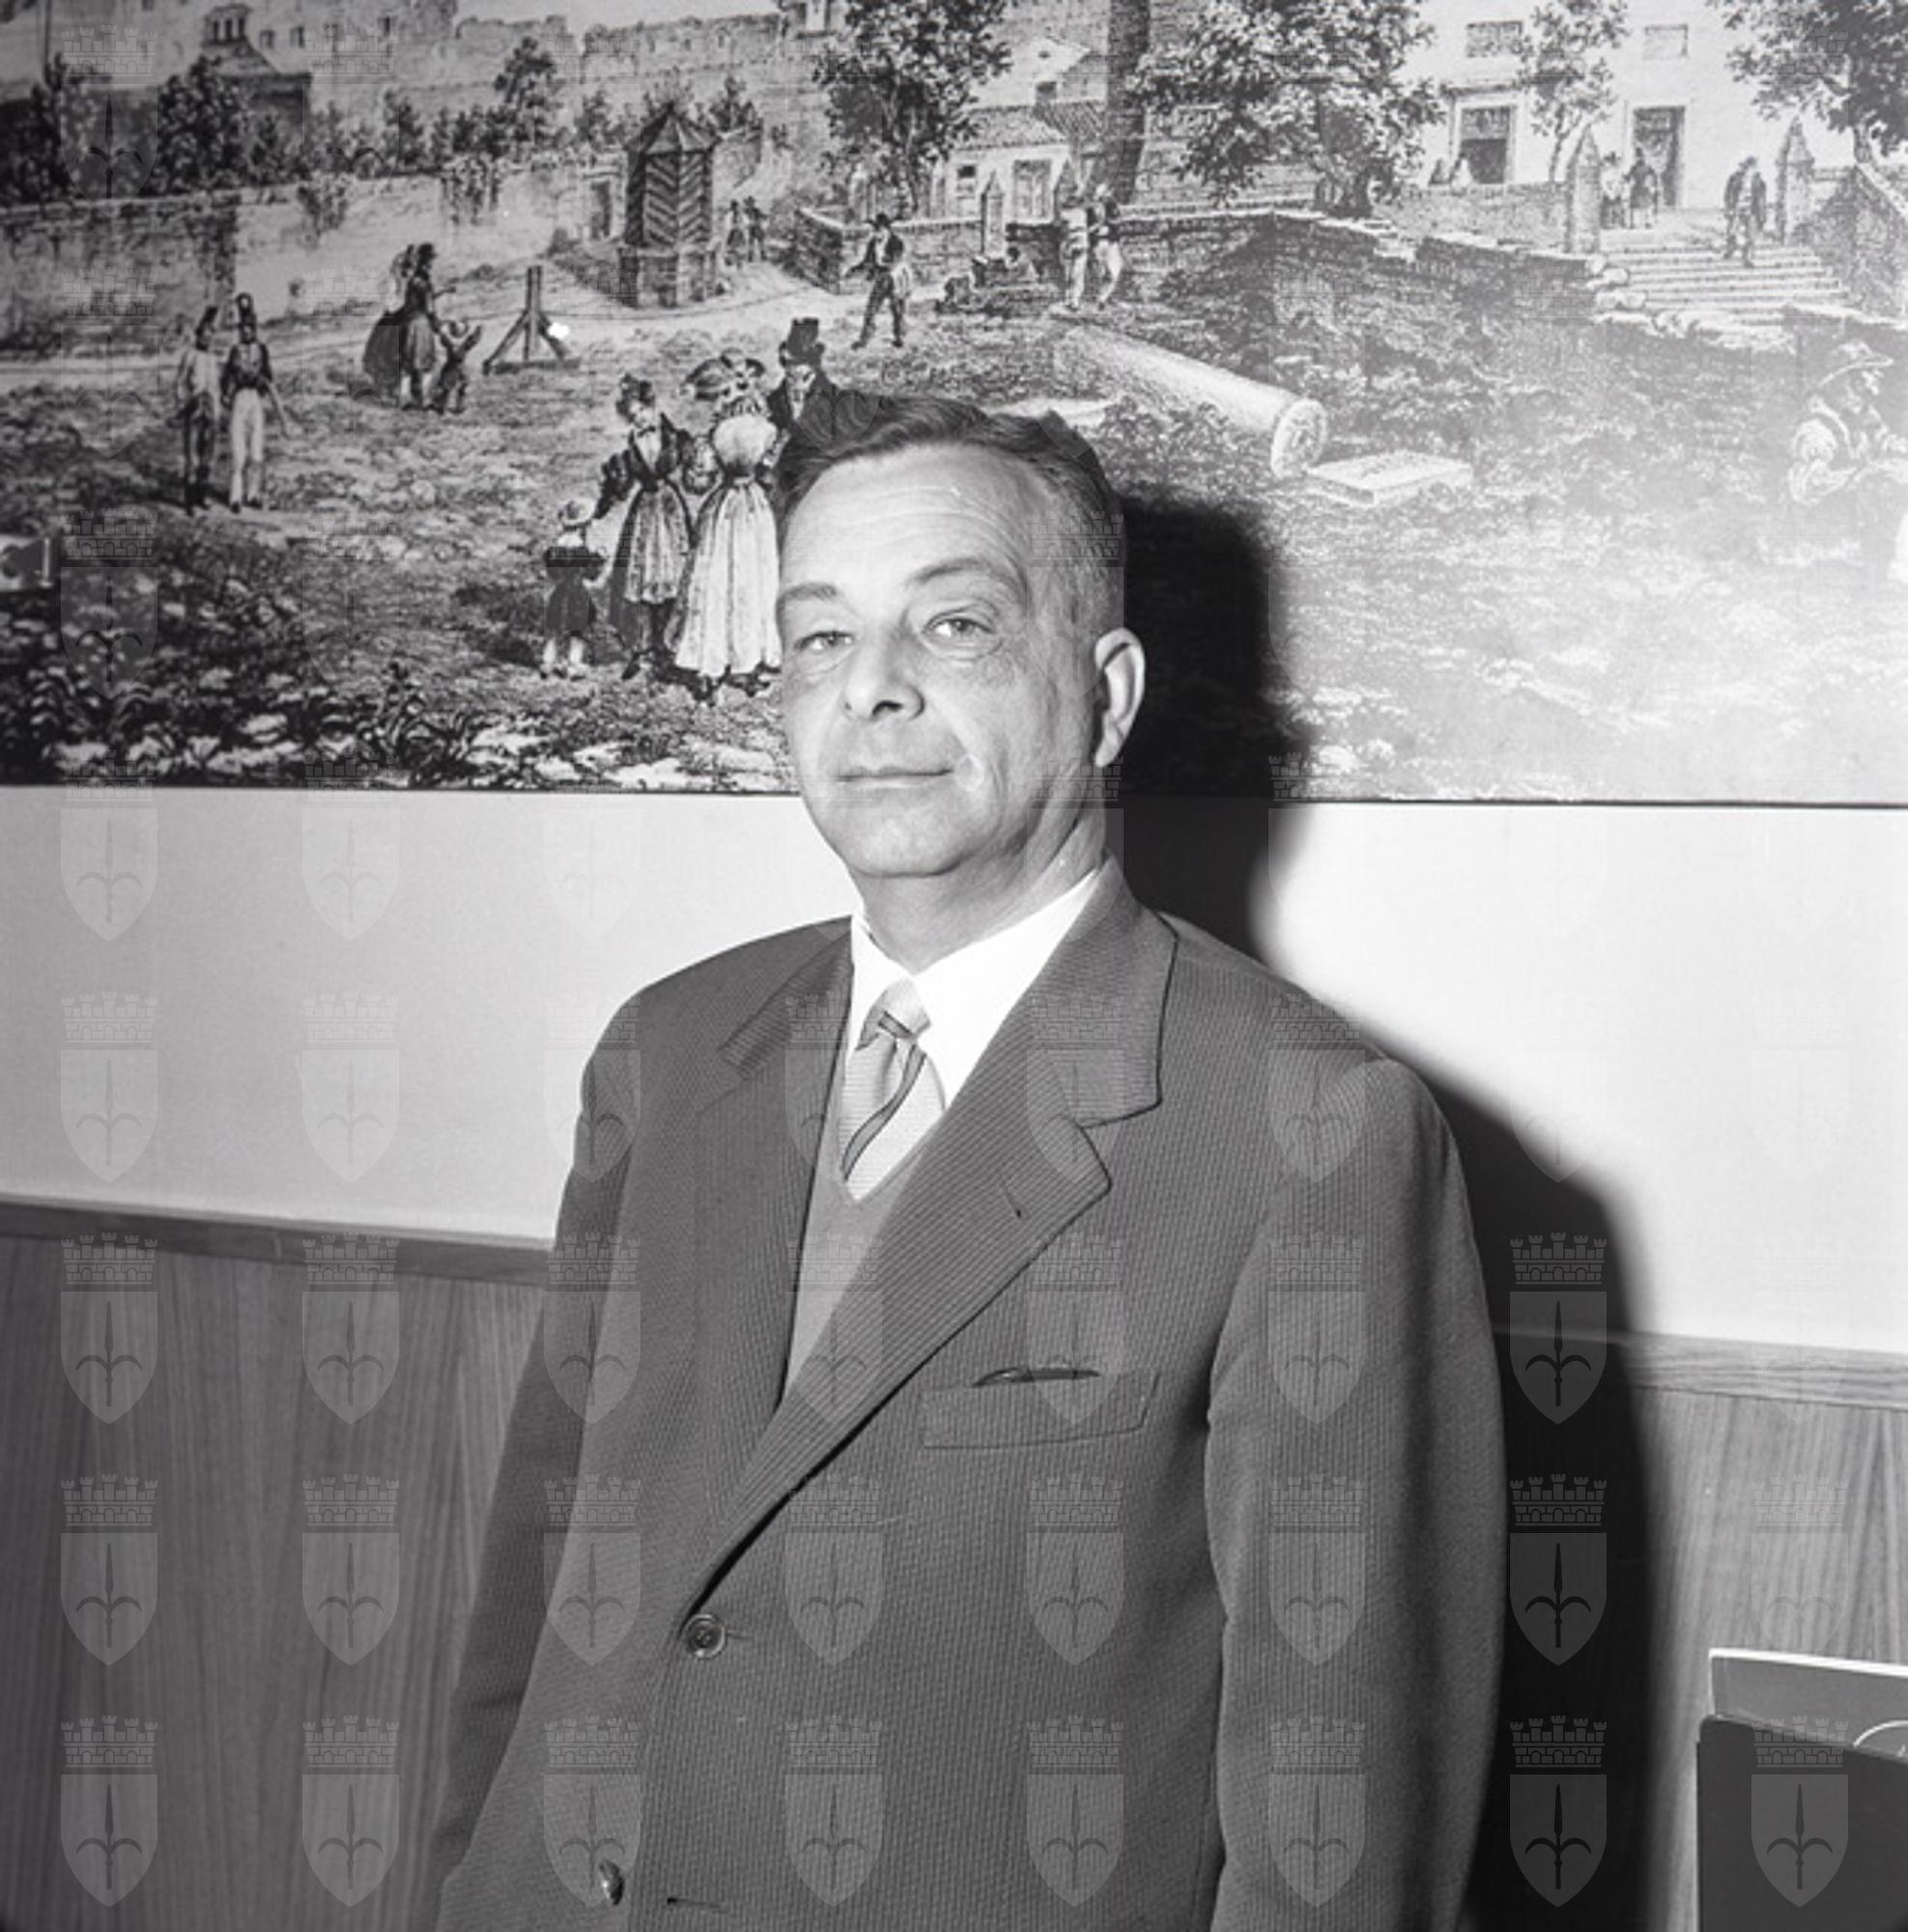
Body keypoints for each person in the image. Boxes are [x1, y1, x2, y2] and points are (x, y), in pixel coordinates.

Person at [424, 394, 1504, 1927]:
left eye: (953, 625)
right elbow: (533, 1607)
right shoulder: (666, 1049)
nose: (869, 687)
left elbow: (1337, 1816)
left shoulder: (1310, 1127)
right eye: (818, 636)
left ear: (1105, 695)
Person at [668, 355, 780, 698]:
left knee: (716, 582)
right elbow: (770, 471)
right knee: (750, 581)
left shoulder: (715, 436)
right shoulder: (766, 429)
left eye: (715, 398)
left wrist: (692, 462)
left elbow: (697, 485)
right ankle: (748, 661)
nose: (715, 406)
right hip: (755, 508)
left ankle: (710, 665)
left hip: (726, 508)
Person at [592, 373, 693, 674]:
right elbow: (619, 488)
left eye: (641, 412)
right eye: (632, 416)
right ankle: (643, 648)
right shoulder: (631, 448)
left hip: (670, 510)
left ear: (652, 407)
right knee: (641, 579)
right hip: (645, 511)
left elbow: (694, 470)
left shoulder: (676, 438)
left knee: (673, 577)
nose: (638, 420)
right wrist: (604, 501)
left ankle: (668, 646)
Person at [1786, 339, 1908, 585]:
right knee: (1883, 485)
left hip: (1856, 509)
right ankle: (1880, 571)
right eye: (1870, 371)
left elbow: (1883, 440)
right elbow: (1806, 487)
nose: (1878, 375)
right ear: (1851, 380)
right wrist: (1863, 474)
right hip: (1826, 521)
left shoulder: (1863, 414)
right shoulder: (1818, 427)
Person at [219, 294, 277, 513]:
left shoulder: (262, 350)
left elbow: (269, 376)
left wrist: (262, 382)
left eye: (249, 328)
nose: (246, 332)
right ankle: (235, 498)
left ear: (254, 329)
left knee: (256, 451)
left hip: (255, 399)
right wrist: (226, 393)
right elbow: (226, 376)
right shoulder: (235, 351)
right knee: (238, 451)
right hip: (239, 398)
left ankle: (252, 495)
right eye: (242, 328)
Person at [539, 496, 605, 679]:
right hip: (577, 593)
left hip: (559, 593)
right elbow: (591, 574)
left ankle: (547, 662)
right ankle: (573, 664)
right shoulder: (581, 550)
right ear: (583, 526)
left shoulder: (554, 549)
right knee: (578, 630)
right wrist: (599, 559)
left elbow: (552, 572)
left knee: (554, 630)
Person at [765, 315, 843, 453]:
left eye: (805, 378)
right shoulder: (774, 401)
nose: (798, 385)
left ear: (815, 373)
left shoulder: (834, 400)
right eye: (791, 377)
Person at [172, 304, 220, 514]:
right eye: (204, 335)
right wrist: (184, 403)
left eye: (210, 336)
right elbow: (179, 383)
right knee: (192, 455)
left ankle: (202, 495)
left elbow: (217, 387)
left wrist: (218, 408)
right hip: (194, 408)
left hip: (211, 410)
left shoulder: (213, 359)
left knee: (208, 454)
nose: (207, 339)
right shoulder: (190, 355)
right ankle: (189, 499)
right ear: (198, 335)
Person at [852, 211, 911, 349]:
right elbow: (867, 261)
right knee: (872, 307)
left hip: (896, 277)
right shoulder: (873, 243)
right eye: (874, 230)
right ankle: (865, 338)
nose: (876, 233)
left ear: (886, 229)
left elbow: (896, 260)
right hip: (882, 277)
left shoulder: (896, 242)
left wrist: (885, 264)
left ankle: (899, 337)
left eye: (878, 230)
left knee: (897, 309)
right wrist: (855, 270)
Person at [397, 242, 440, 410]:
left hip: (409, 322)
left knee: (409, 363)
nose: (432, 263)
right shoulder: (423, 281)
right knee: (425, 362)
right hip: (420, 324)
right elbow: (429, 306)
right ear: (426, 261)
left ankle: (405, 399)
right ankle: (424, 400)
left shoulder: (413, 280)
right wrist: (435, 322)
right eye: (431, 260)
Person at [428, 315, 482, 415]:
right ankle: (444, 407)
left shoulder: (452, 341)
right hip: (455, 367)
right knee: (448, 388)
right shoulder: (463, 342)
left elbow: (443, 337)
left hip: (455, 366)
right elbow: (474, 340)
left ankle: (453, 407)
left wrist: (478, 331)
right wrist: (478, 331)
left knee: (457, 387)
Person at [1723, 154, 1767, 268]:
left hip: (1751, 211)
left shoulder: (1759, 182)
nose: (1751, 170)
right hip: (1737, 209)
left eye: (1753, 167)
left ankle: (1748, 258)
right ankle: (1730, 248)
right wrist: (1729, 208)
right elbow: (1728, 194)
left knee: (1750, 236)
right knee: (1732, 232)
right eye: (1749, 167)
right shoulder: (1735, 178)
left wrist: (1762, 215)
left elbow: (1761, 200)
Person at [1089, 187, 1125, 306]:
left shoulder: (1111, 207)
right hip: (1099, 243)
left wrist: (1107, 222)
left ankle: (1104, 297)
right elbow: (1087, 229)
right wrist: (1097, 226)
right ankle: (1101, 297)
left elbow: (1118, 221)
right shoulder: (1091, 210)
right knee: (1101, 272)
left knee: (1115, 270)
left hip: (1110, 242)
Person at [1058, 192, 1091, 310]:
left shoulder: (1066, 214)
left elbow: (1063, 230)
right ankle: (1073, 299)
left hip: (1073, 243)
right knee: (1076, 274)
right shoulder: (1081, 214)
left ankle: (1071, 299)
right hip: (1076, 243)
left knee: (1071, 274)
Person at [1627, 146, 1659, 229]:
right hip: (1640, 188)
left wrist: (1651, 185)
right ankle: (1638, 223)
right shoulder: (1636, 168)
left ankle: (1646, 222)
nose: (1639, 158)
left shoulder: (1645, 168)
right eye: (1638, 157)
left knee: (1645, 205)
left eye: (1639, 156)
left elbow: (1653, 177)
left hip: (1642, 188)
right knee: (1639, 206)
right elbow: (1629, 178)